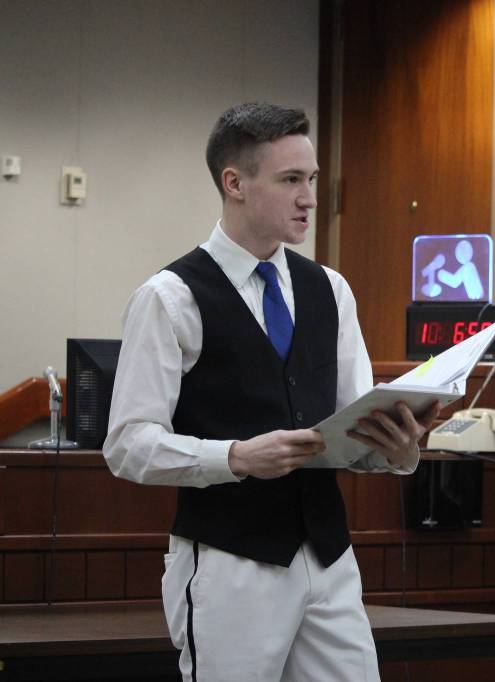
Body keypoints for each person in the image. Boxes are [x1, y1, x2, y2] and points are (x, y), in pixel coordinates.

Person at [103, 102, 440, 682]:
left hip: (329, 559)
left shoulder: (329, 289)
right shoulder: (171, 297)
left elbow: (354, 425)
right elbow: (128, 445)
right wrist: (234, 457)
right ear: (235, 183)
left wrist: (399, 454)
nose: (309, 197)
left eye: (310, 179)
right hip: (231, 563)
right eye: (290, 181)